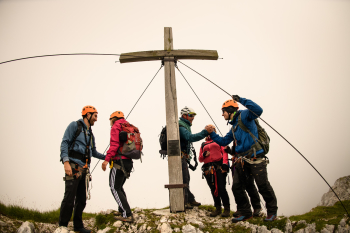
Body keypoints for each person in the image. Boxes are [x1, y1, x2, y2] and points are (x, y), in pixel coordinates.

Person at [205, 96, 278, 223]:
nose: (222, 115)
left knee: (262, 185)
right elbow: (223, 141)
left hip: (256, 157)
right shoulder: (233, 128)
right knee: (237, 187)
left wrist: (241, 100)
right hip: (242, 160)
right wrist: (212, 133)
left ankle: (272, 212)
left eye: (224, 112)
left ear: (230, 110)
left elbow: (258, 110)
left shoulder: (244, 116)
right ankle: (245, 212)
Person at [59, 106, 106, 233]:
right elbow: (65, 142)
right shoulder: (74, 126)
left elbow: (94, 152)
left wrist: (107, 157)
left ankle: (78, 227)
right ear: (87, 115)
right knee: (69, 197)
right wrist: (66, 162)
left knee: (82, 199)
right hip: (73, 166)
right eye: (95, 116)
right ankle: (62, 226)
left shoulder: (91, 134)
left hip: (85, 170)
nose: (96, 119)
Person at [102, 111, 134, 222]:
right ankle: (122, 210)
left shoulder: (116, 127)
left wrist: (106, 160)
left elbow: (114, 145)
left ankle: (127, 214)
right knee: (119, 187)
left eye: (110, 119)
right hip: (128, 162)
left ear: (114, 119)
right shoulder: (128, 126)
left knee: (114, 187)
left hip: (119, 162)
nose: (110, 122)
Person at [179, 106, 209, 209]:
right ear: (184, 115)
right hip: (180, 156)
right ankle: (186, 201)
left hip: (183, 156)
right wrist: (205, 132)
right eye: (191, 115)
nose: (193, 117)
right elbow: (189, 137)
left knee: (186, 178)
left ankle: (189, 199)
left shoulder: (184, 125)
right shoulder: (181, 126)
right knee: (184, 179)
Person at [199, 126, 231, 217]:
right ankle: (218, 208)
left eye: (211, 129)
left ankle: (226, 209)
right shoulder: (203, 144)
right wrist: (204, 154)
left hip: (218, 167)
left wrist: (225, 164)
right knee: (213, 189)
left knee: (221, 188)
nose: (209, 130)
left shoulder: (219, 141)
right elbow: (200, 159)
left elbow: (224, 152)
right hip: (208, 169)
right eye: (207, 129)